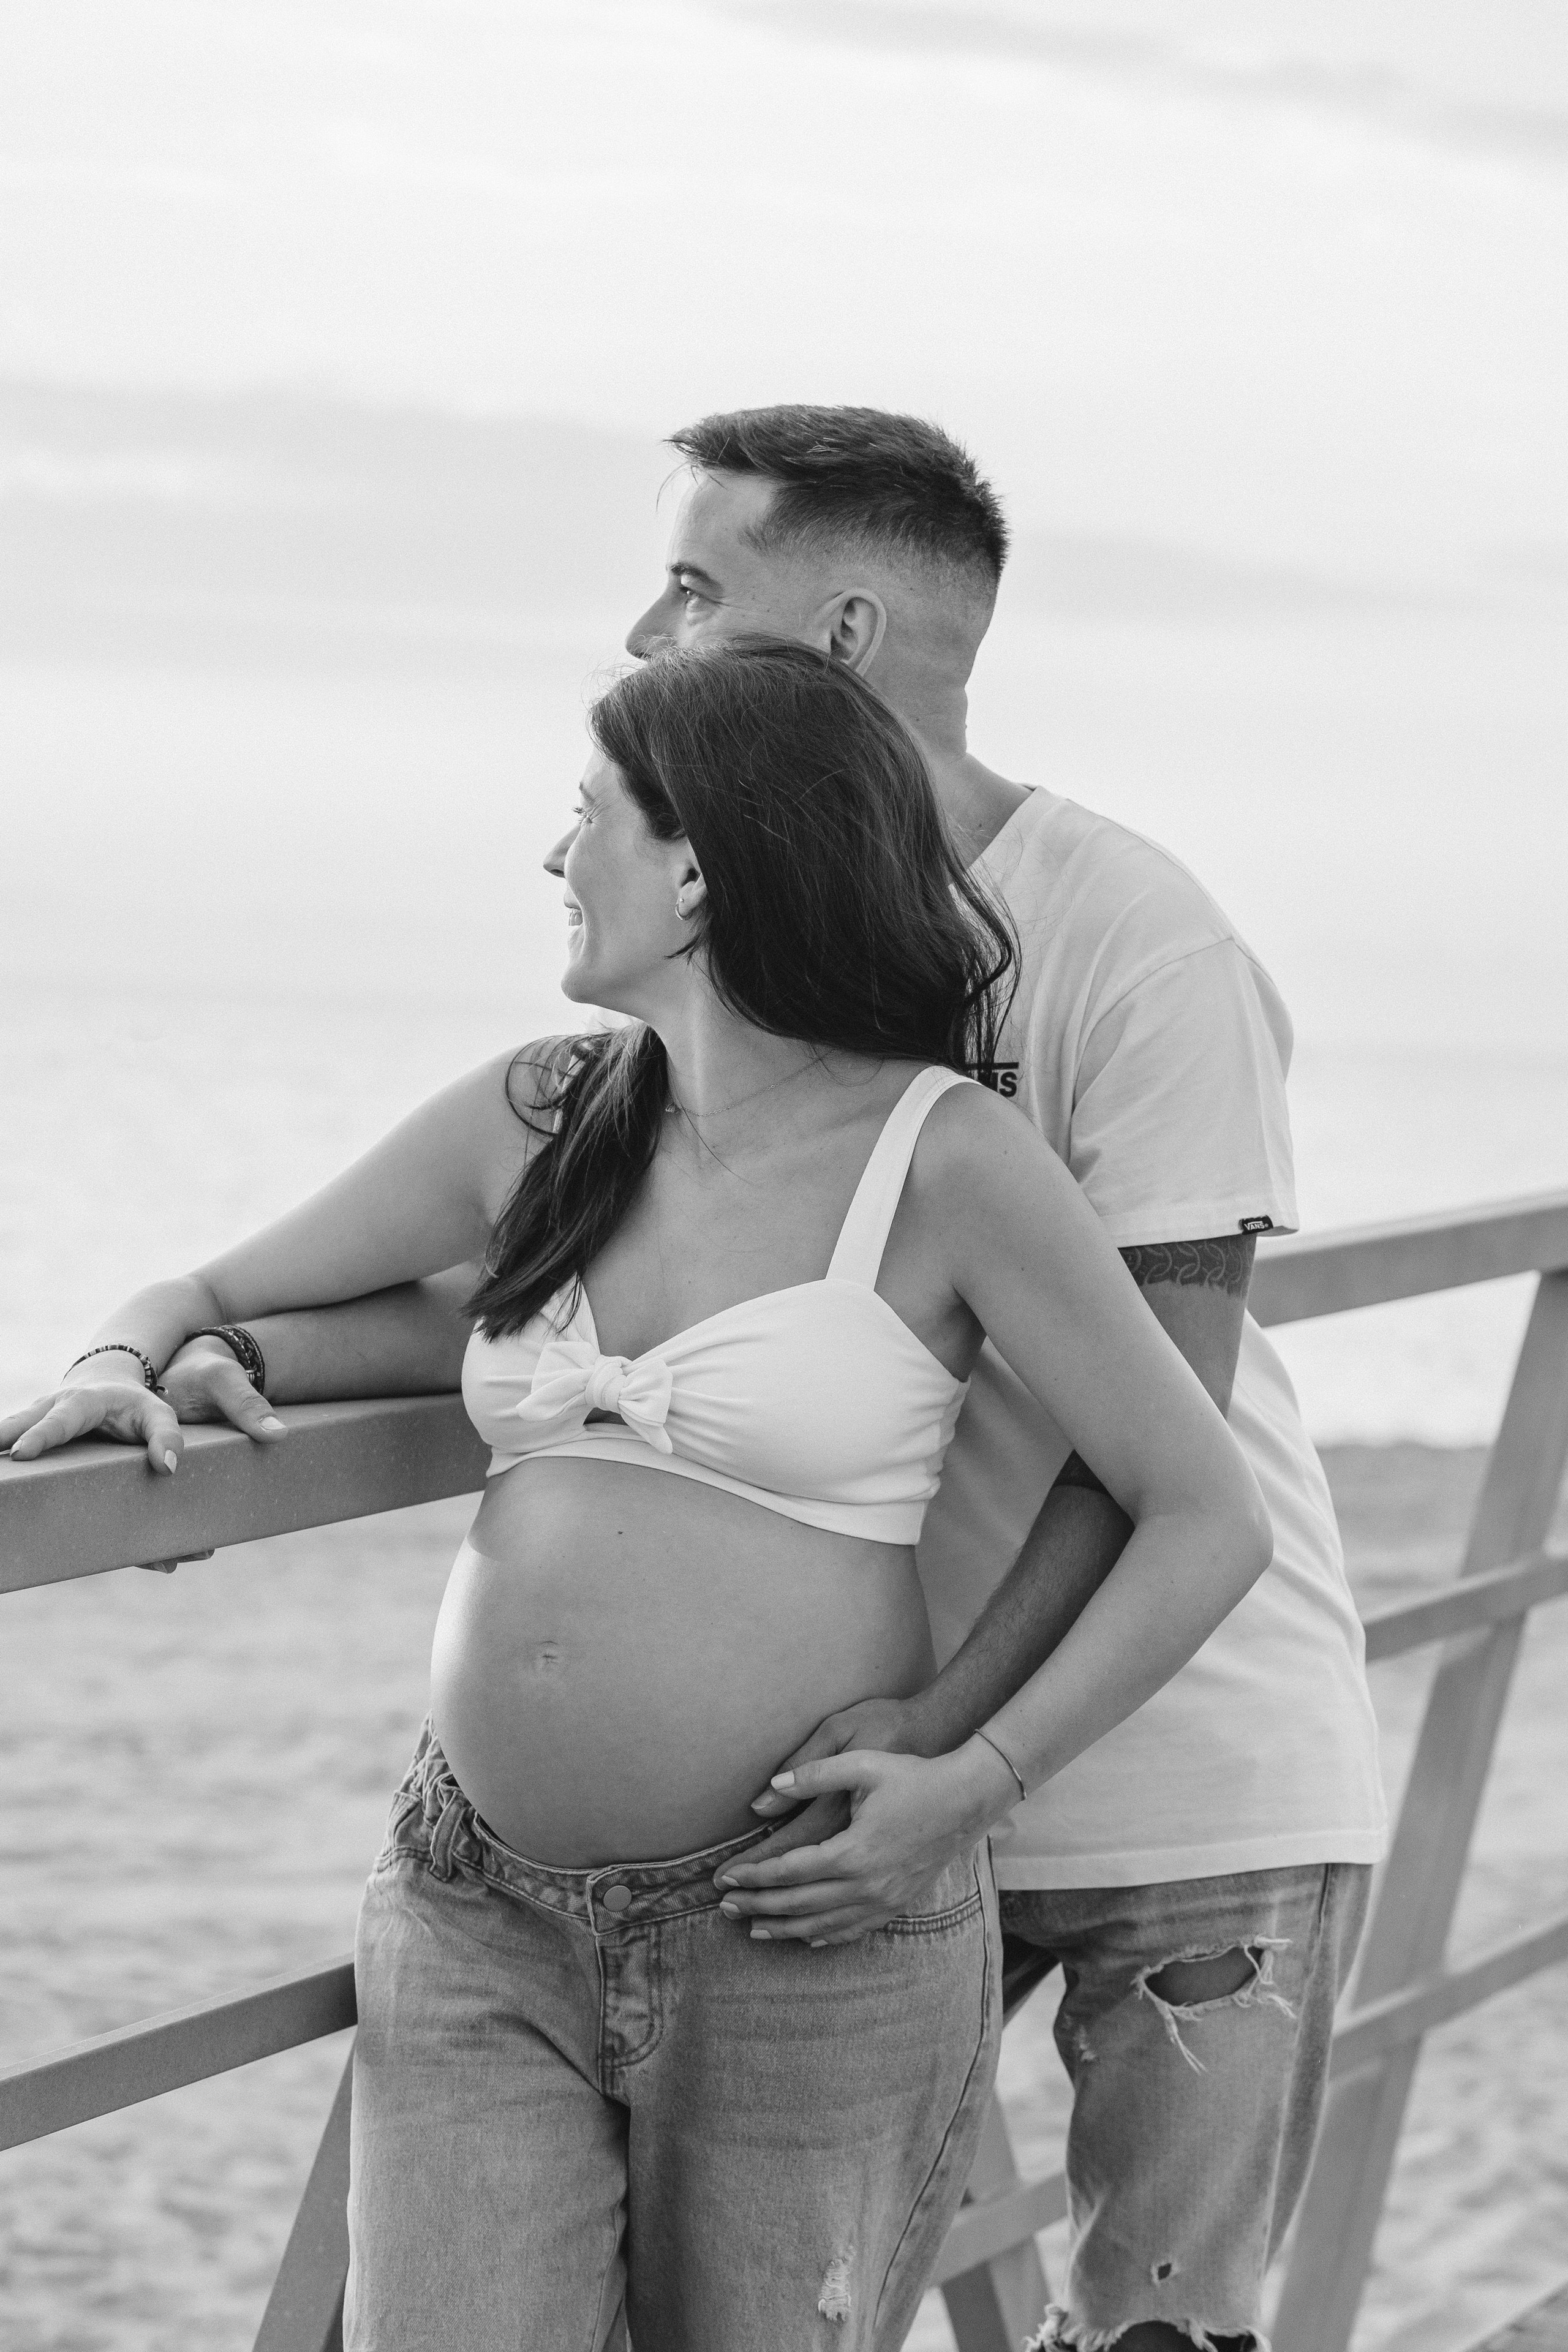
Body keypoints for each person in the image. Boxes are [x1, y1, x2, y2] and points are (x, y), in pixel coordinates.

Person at [2, 641, 1271, 2352]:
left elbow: (1206, 1513)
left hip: (803, 1925)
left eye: (584, 813)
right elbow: (204, 1290)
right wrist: (131, 1367)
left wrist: (975, 1779)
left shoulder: (951, 1159)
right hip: (475, 1910)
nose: (553, 856)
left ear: (700, 866)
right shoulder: (542, 1114)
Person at [618, 410, 1389, 2352]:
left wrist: (957, 1749)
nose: (646, 634)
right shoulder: (734, 933)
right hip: (867, 1787)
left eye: (699, 589)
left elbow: (1160, 1437)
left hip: (1174, 1781)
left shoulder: (1133, 937)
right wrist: (193, 1326)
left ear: (849, 633)